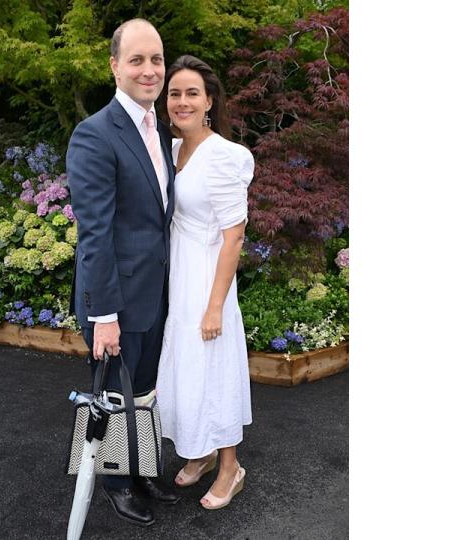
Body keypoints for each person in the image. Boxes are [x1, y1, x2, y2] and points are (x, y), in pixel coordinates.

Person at [66, 19, 180, 527]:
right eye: (137, 60)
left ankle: (141, 468)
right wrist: (104, 315)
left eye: (156, 59)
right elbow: (95, 235)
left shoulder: (160, 130)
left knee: (146, 387)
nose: (149, 70)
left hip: (154, 292)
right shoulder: (94, 134)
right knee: (113, 391)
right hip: (116, 300)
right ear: (114, 66)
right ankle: (115, 482)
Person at [155, 55, 254, 510]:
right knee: (185, 369)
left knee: (212, 369)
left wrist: (215, 306)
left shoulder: (223, 157)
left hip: (208, 279)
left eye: (192, 92)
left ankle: (230, 466)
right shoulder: (173, 150)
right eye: (175, 93)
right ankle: (201, 450)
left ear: (210, 100)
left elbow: (234, 235)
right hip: (181, 274)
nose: (182, 101)